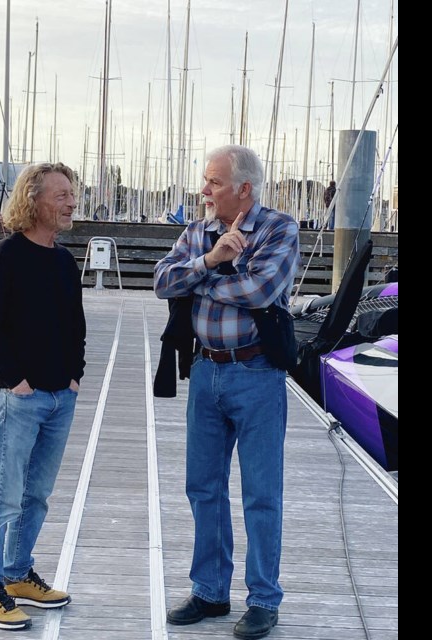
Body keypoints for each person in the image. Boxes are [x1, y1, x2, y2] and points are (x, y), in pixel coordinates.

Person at [154, 145, 300, 640]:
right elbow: (161, 281)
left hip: (257, 374)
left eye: (213, 182)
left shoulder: (280, 229)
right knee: (203, 488)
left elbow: (260, 292)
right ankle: (211, 592)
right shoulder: (198, 232)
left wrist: (199, 279)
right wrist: (212, 260)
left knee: (262, 494)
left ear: (244, 189)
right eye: (205, 181)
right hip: (205, 372)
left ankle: (263, 599)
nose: (204, 191)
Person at [0, 162, 86, 631]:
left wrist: (74, 376)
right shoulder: (6, 256)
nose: (71, 203)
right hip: (21, 397)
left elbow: (76, 326)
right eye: (61, 195)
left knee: (37, 495)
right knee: (4, 495)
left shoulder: (63, 260)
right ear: (33, 200)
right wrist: (14, 380)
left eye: (71, 195)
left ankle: (18, 575)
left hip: (62, 396)